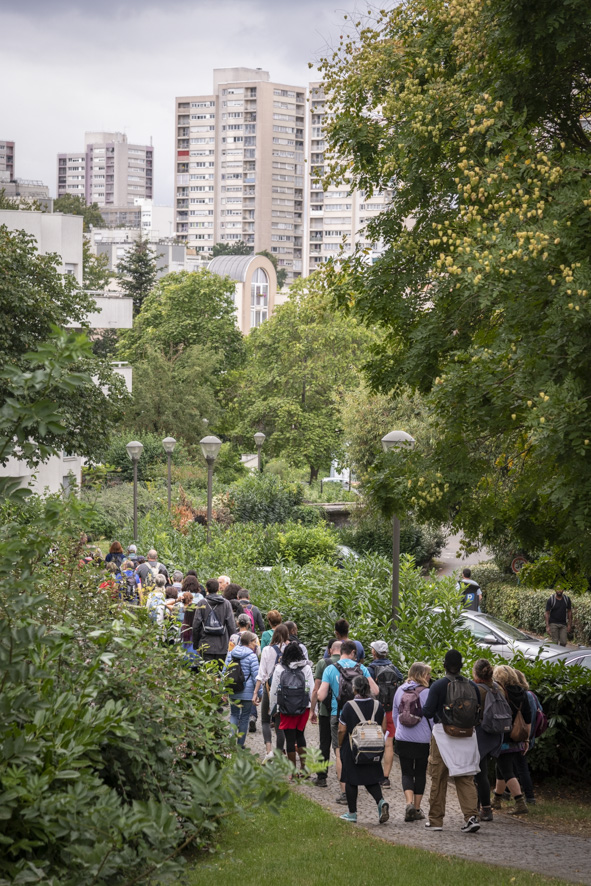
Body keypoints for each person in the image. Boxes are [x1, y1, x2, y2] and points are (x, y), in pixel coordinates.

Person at [421, 649, 481, 833]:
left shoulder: (439, 685)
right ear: (462, 666)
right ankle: (471, 816)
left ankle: (436, 820)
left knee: (438, 777)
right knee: (465, 777)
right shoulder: (473, 686)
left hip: (443, 734)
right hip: (467, 736)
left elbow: (428, 712)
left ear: (444, 665)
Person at [318, 640, 379, 805]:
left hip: (337, 714)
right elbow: (375, 690)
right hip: (359, 716)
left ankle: (345, 792)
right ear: (353, 652)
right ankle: (363, 784)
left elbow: (321, 696)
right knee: (358, 748)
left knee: (339, 752)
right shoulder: (361, 669)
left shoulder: (330, 668)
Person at [337, 675, 390, 825]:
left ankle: (352, 813)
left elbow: (342, 730)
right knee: (371, 778)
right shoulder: (377, 705)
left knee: (351, 780)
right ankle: (380, 802)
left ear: (354, 689)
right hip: (373, 748)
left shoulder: (349, 706)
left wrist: (340, 745)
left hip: (354, 749)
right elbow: (383, 727)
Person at [392, 662, 432, 821]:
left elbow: (395, 714)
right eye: (427, 674)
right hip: (422, 739)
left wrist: (399, 731)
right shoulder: (427, 692)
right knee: (420, 772)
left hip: (403, 738)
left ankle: (408, 802)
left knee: (406, 771)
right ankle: (416, 808)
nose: (429, 676)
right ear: (421, 675)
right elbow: (432, 716)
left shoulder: (400, 690)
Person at [269, 640, 315, 777]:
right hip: (303, 707)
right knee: (300, 735)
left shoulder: (280, 668)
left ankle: (293, 773)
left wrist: (274, 709)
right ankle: (305, 769)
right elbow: (312, 690)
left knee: (290, 739)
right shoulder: (306, 668)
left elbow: (274, 691)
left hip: (285, 707)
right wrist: (313, 710)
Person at [491, 664, 532, 816]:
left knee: (507, 771)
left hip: (503, 737)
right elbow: (527, 719)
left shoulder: (500, 693)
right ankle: (496, 799)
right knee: (501, 769)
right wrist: (526, 739)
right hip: (517, 737)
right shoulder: (524, 694)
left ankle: (520, 802)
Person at [366, 640, 403, 789]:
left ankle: (371, 774)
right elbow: (400, 679)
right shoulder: (393, 668)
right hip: (390, 711)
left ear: (374, 652)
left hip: (375, 710)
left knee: (372, 743)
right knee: (389, 744)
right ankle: (385, 778)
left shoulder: (370, 669)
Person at [472, 658, 504, 822]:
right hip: (496, 735)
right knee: (482, 772)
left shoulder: (477, 689)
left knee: (479, 774)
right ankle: (483, 807)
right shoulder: (498, 688)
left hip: (480, 734)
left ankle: (482, 808)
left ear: (476, 673)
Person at [252, 623, 290, 762]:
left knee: (265, 721)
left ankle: (269, 751)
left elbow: (261, 674)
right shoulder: (289, 649)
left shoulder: (267, 650)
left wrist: (256, 692)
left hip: (269, 688)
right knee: (280, 723)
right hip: (285, 690)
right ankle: (279, 754)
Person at [310, 639, 342, 787]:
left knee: (325, 743)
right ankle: (345, 776)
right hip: (344, 711)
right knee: (342, 745)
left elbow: (316, 689)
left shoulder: (323, 663)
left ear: (330, 650)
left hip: (325, 710)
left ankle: (322, 777)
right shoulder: (351, 665)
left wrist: (312, 710)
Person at [223, 631, 260, 747]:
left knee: (234, 715)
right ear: (249, 642)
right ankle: (240, 745)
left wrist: (224, 691)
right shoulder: (252, 656)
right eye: (254, 642)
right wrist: (259, 693)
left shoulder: (231, 654)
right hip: (248, 692)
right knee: (244, 718)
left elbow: (224, 673)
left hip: (233, 689)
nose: (255, 644)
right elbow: (256, 677)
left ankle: (230, 742)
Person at [192, 578, 236, 668]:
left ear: (206, 589)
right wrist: (233, 644)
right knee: (221, 673)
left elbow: (196, 625)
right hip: (222, 645)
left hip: (205, 644)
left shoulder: (201, 603)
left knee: (208, 675)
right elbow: (231, 625)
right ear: (218, 589)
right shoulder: (226, 604)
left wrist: (196, 645)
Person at [514, 669, 537, 806]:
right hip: (529, 734)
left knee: (520, 768)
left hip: (521, 736)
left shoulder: (522, 696)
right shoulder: (532, 695)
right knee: (511, 767)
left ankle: (529, 797)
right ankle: (504, 793)